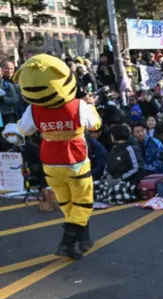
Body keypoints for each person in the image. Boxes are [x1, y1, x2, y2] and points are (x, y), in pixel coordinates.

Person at [14, 54, 101, 260]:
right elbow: (95, 124)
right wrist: (91, 106)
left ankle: (83, 240)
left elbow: (24, 129)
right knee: (82, 203)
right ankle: (68, 242)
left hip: (50, 162)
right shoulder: (78, 105)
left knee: (66, 201)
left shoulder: (33, 109)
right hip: (75, 160)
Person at [1, 123, 43, 187]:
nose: (9, 137)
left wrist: (31, 169)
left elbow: (41, 162)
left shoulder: (32, 146)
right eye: (7, 135)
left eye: (12, 134)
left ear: (19, 135)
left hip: (36, 180)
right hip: (18, 183)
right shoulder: (9, 150)